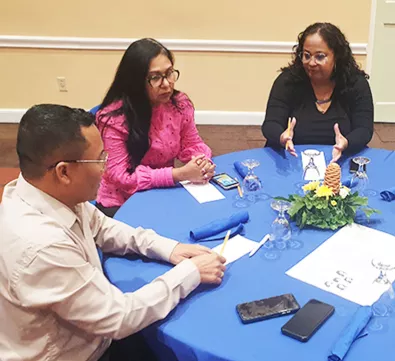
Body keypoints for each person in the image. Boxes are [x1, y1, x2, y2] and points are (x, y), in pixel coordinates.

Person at [0, 104, 227, 361]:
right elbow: (120, 317)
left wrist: (168, 248)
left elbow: (102, 225)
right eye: (99, 159)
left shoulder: (43, 191)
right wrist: (191, 273)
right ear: (64, 171)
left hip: (95, 335)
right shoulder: (42, 247)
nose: (105, 168)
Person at [95, 38, 215, 217]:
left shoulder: (179, 104)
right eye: (155, 77)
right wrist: (178, 174)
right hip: (122, 201)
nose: (166, 84)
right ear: (135, 81)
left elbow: (191, 143)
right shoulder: (114, 119)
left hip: (161, 192)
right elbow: (122, 177)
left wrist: (201, 161)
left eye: (169, 73)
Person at [261, 22, 374, 162]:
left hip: (340, 160)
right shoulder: (287, 81)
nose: (311, 63)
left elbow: (364, 129)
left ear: (337, 56)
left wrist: (346, 143)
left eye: (320, 56)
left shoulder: (356, 84)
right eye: (306, 55)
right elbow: (270, 124)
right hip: (292, 159)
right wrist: (281, 137)